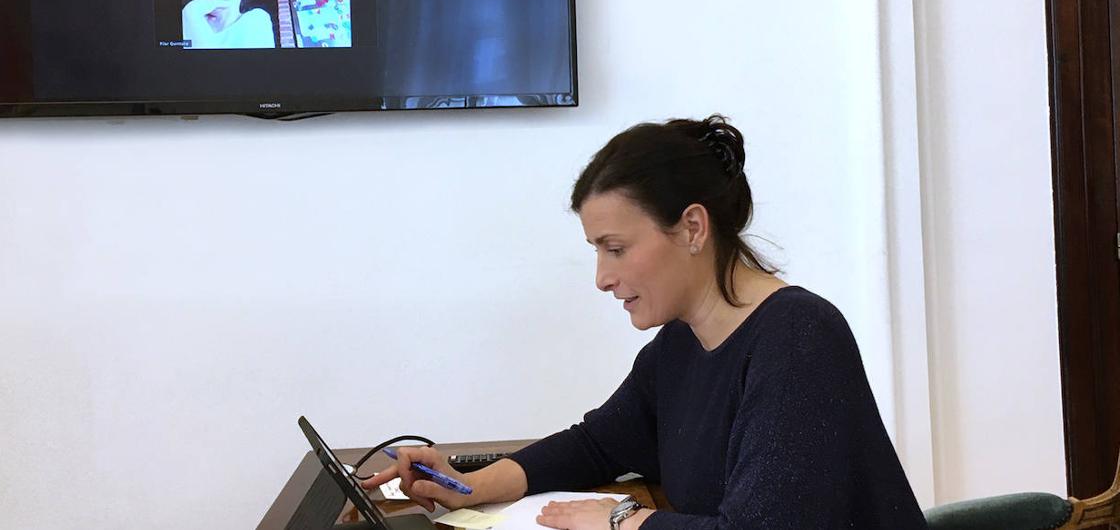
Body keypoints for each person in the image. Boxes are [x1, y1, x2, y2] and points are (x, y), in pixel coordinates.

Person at [363, 116, 928, 530]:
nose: (601, 278)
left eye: (615, 248)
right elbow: (598, 444)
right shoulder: (681, 341)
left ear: (691, 229)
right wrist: (466, 486)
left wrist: (621, 519)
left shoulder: (799, 338)